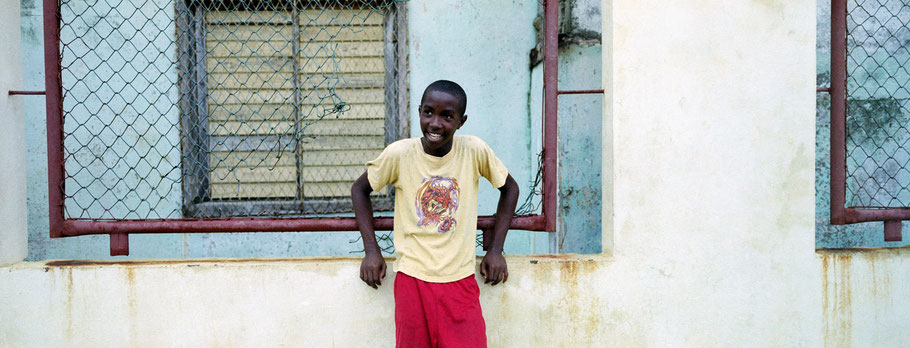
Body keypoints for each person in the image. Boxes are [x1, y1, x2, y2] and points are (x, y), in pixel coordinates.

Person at [351, 80, 520, 347]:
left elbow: (510, 188)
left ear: (461, 121)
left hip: (460, 279)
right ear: (419, 111)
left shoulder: (474, 150)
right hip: (412, 278)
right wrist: (371, 251)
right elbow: (359, 190)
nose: (435, 123)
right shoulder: (400, 153)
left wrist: (496, 249)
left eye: (447, 116)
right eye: (428, 112)